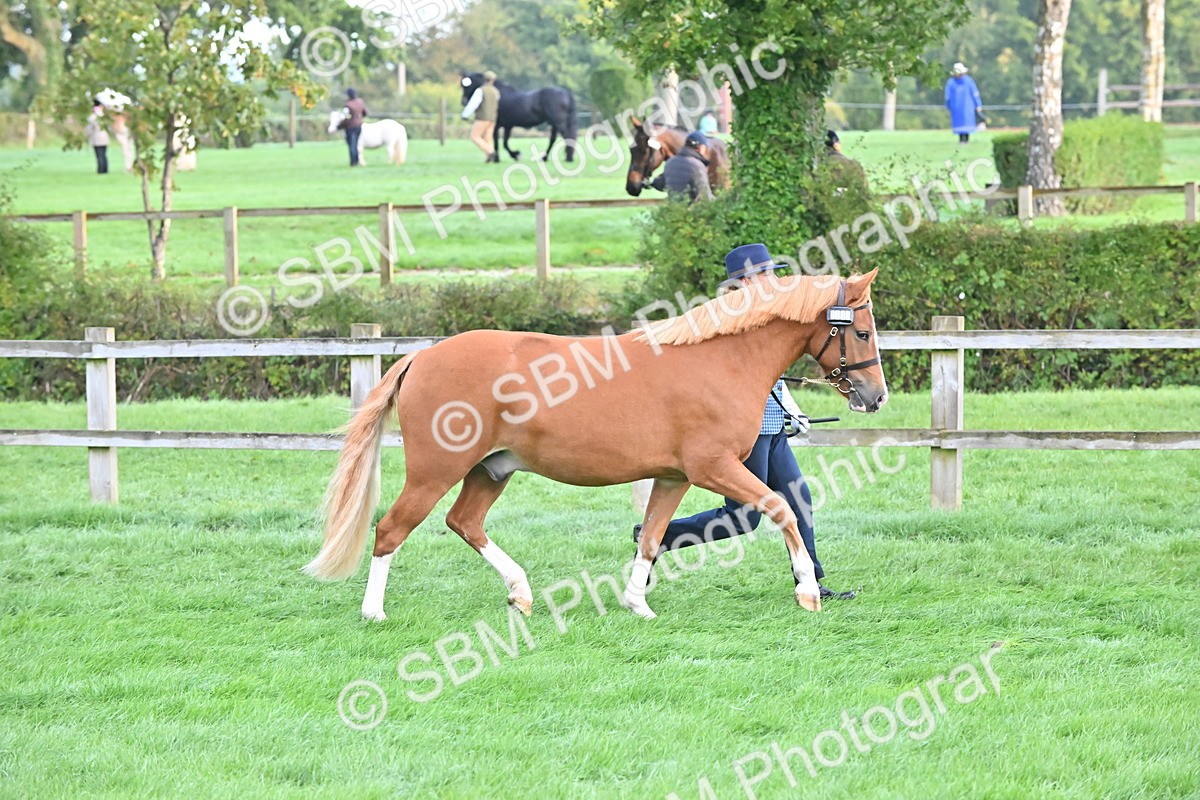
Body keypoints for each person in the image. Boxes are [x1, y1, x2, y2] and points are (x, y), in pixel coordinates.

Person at [633, 243, 856, 601]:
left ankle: (811, 580)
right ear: (745, 282)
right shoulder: (730, 322)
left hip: (773, 426)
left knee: (799, 497)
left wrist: (792, 409)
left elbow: (771, 376)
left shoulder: (767, 318)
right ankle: (659, 537)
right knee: (742, 518)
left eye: (772, 272)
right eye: (765, 274)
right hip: (744, 431)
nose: (773, 280)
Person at [647, 130, 713, 203]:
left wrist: (651, 183)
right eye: (704, 147)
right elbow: (704, 195)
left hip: (673, 207)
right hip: (691, 208)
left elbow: (661, 184)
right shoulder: (697, 165)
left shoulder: (670, 162)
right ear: (699, 147)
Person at [462, 70, 501, 163]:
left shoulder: (481, 90)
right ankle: (489, 158)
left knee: (474, 136)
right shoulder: (496, 91)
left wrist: (465, 114)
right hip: (492, 118)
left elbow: (473, 104)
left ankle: (491, 152)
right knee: (488, 138)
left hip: (482, 117)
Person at [944, 63, 983, 144]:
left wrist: (948, 105)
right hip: (968, 107)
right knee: (966, 122)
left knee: (959, 123)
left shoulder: (951, 82)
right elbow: (975, 93)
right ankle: (965, 140)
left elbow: (947, 97)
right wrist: (978, 104)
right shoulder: (968, 81)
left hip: (956, 107)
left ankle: (962, 140)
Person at [342, 88, 368, 167]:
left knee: (352, 145)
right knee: (356, 144)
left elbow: (345, 118)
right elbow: (364, 113)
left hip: (350, 128)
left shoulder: (348, 105)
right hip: (359, 126)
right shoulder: (360, 102)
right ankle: (357, 160)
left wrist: (339, 126)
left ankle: (353, 162)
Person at [84, 100, 109, 174]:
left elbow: (89, 128)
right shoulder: (104, 116)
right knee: (103, 154)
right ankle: (105, 169)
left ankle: (100, 170)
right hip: (104, 137)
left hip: (97, 138)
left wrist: (87, 135)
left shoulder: (93, 117)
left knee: (99, 154)